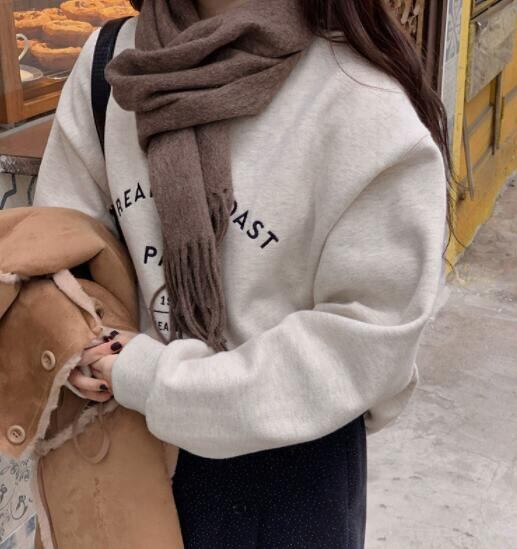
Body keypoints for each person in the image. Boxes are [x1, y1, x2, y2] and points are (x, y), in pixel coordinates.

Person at [33, 0, 450, 547]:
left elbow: (364, 343)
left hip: (287, 468)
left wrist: (151, 376)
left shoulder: (363, 103)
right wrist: (78, 339)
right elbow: (57, 244)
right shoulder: (109, 63)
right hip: (124, 445)